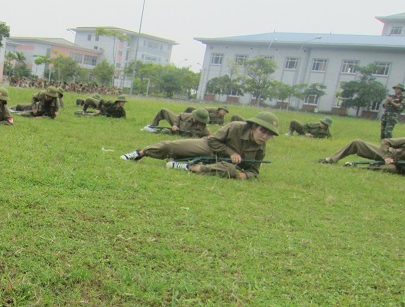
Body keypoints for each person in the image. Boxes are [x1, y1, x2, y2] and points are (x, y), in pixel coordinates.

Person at [120, 111, 280, 180]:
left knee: (231, 171)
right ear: (253, 127)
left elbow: (254, 171)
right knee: (172, 146)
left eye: (269, 134)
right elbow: (212, 140)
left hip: (223, 164)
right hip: (209, 148)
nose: (265, 136)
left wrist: (246, 175)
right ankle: (140, 153)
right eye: (262, 131)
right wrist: (231, 152)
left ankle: (189, 167)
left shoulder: (261, 148)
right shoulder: (236, 127)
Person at [318, 137, 405, 174]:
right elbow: (386, 141)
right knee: (357, 143)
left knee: (388, 169)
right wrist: (387, 157)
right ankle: (330, 159)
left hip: (398, 166)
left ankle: (355, 167)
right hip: (389, 155)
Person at [142, 108, 210, 137]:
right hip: (178, 125)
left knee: (165, 131)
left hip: (179, 132)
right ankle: (152, 126)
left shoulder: (205, 129)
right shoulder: (190, 116)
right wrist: (175, 125)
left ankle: (152, 131)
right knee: (163, 111)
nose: (193, 117)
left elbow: (209, 137)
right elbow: (179, 115)